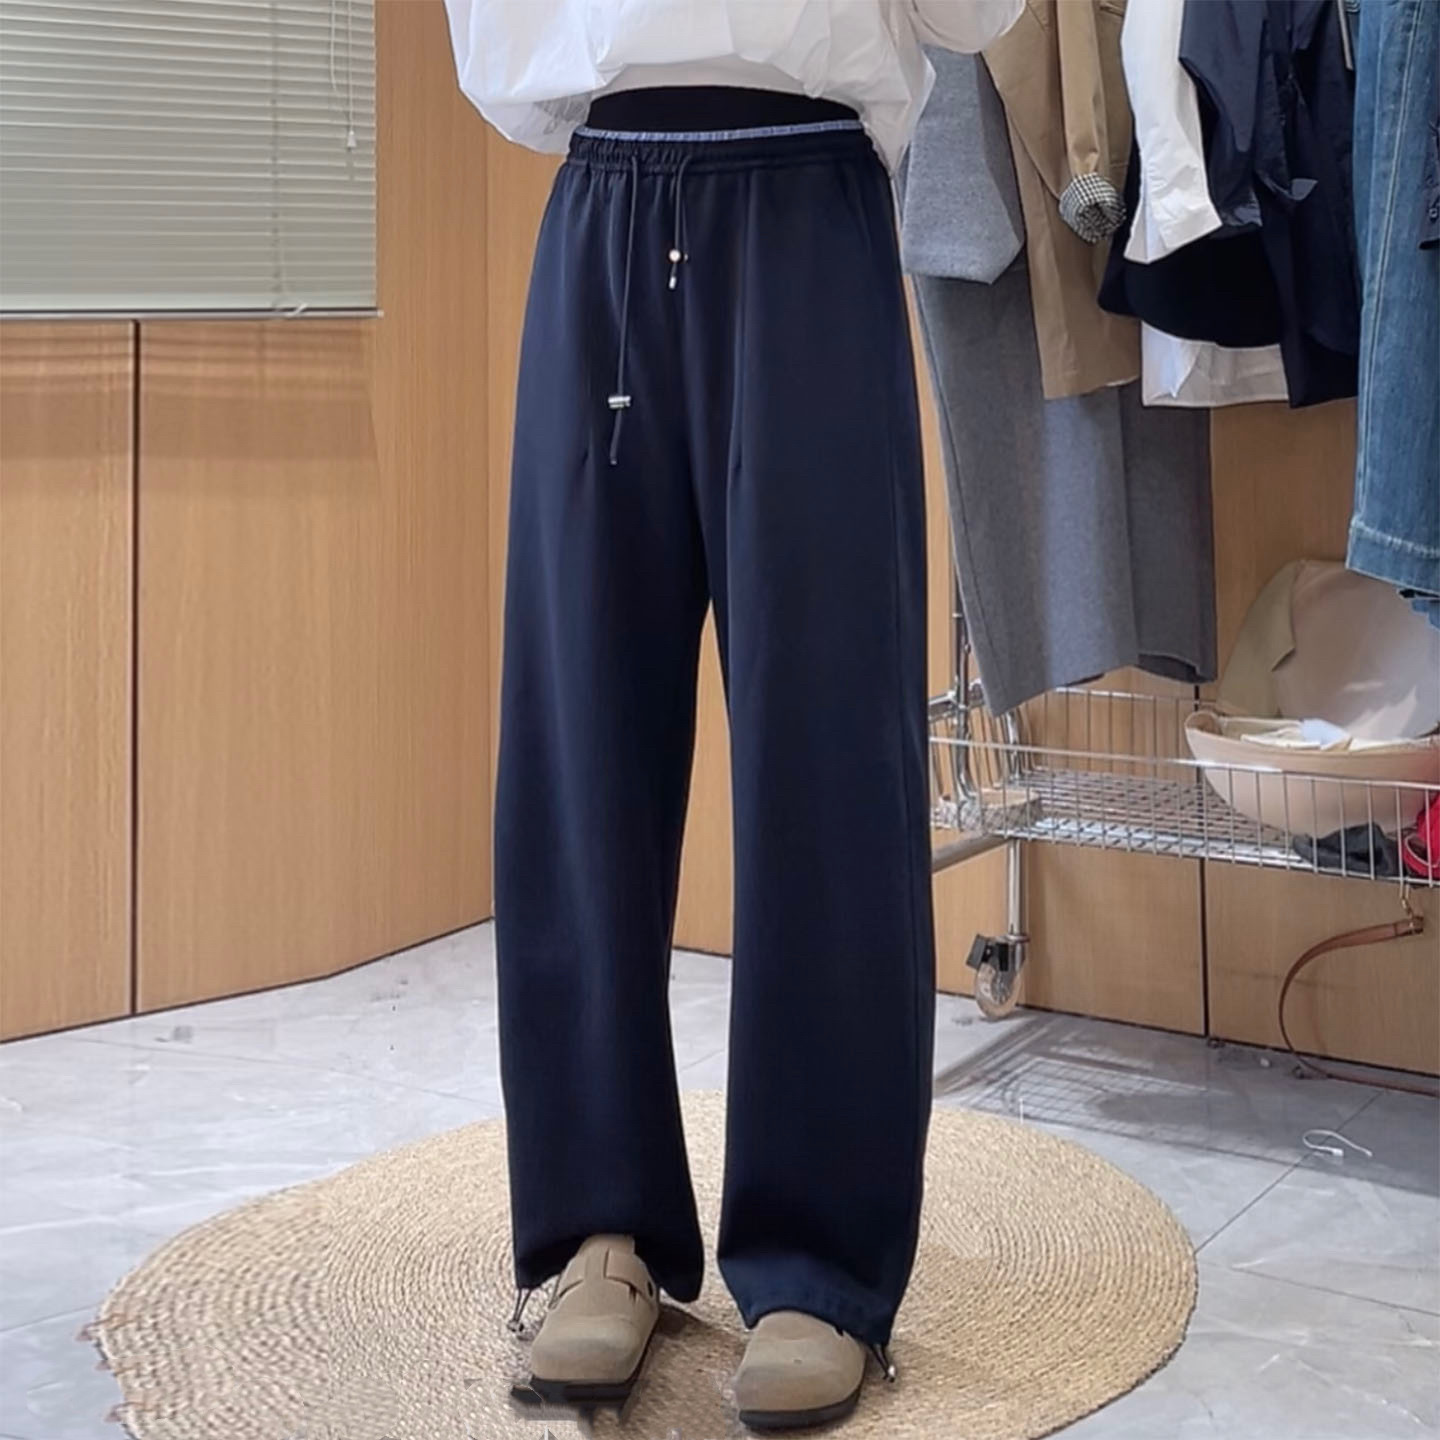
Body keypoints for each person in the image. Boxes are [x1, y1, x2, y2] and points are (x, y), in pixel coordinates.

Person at [441, 0, 1023, 1429]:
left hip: (812, 198)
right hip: (606, 194)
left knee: (830, 746)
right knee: (581, 735)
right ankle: (599, 1228)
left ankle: (821, 1261)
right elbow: (499, 53)